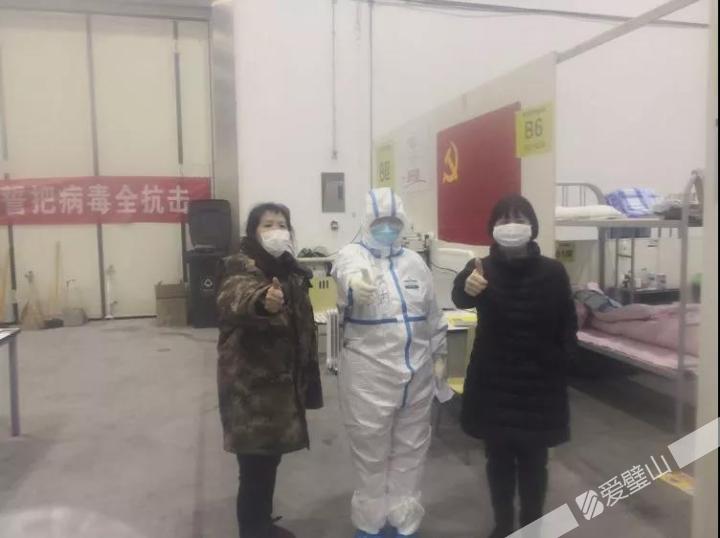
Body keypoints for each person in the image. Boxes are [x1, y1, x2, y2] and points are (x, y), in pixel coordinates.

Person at [451, 194, 577, 538]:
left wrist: (564, 362)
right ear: (493, 227)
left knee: (536, 463)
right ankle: (503, 525)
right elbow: (459, 298)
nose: (511, 226)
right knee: (498, 461)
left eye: (519, 218)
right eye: (504, 219)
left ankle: (532, 527)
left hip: (540, 384)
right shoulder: (480, 268)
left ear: (532, 226)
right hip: (494, 382)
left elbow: (567, 322)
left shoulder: (553, 271)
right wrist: (467, 287)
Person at [332, 188, 448, 538]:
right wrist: (354, 284)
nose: (388, 228)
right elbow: (345, 270)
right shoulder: (353, 255)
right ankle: (370, 522)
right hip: (369, 377)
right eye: (380, 221)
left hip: (418, 376)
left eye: (394, 222)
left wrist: (440, 355)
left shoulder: (414, 263)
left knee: (411, 450)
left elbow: (433, 314)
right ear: (368, 222)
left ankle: (403, 519)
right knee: (371, 453)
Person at [216, 203, 323, 538]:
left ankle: (261, 523)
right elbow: (235, 296)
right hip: (252, 390)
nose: (277, 231)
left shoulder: (289, 270)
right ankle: (253, 530)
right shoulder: (241, 266)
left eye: (282, 224)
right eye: (268, 225)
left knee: (267, 461)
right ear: (253, 232)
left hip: (280, 389)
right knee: (254, 468)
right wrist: (262, 301)